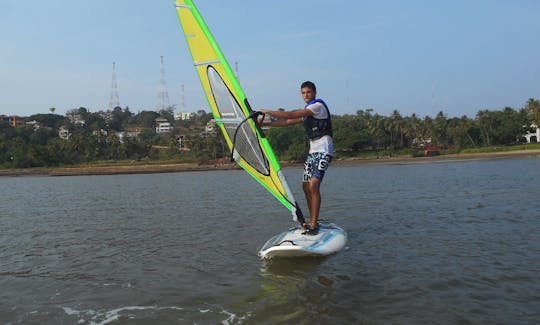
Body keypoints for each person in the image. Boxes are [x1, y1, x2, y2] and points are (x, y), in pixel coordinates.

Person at [260, 81, 333, 235]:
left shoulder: (317, 107)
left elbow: (292, 114)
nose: (306, 95)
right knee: (305, 186)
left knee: (314, 186)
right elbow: (287, 121)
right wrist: (263, 123)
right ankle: (312, 219)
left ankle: (314, 224)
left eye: (308, 92)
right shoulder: (307, 112)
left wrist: (267, 111)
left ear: (314, 93)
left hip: (324, 149)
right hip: (313, 151)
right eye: (303, 93)